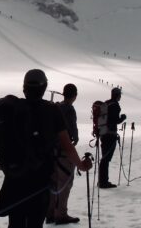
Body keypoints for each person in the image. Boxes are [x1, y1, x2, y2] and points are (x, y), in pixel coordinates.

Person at [0, 70, 92, 228]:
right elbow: (67, 145)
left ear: (24, 88)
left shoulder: (13, 108)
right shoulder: (51, 110)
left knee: (16, 223)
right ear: (44, 87)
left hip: (14, 179)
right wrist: (81, 165)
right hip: (39, 181)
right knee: (35, 222)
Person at [48, 83, 81, 224]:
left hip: (52, 151)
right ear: (74, 95)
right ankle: (61, 215)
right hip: (63, 151)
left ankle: (50, 214)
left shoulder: (56, 107)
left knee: (53, 183)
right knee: (65, 183)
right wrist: (75, 138)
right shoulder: (69, 109)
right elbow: (72, 130)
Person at [98, 87, 126, 188]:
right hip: (110, 134)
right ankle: (103, 182)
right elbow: (114, 121)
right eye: (120, 95)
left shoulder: (106, 103)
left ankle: (102, 180)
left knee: (104, 158)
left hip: (103, 134)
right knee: (106, 158)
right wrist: (122, 118)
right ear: (118, 95)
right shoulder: (115, 106)